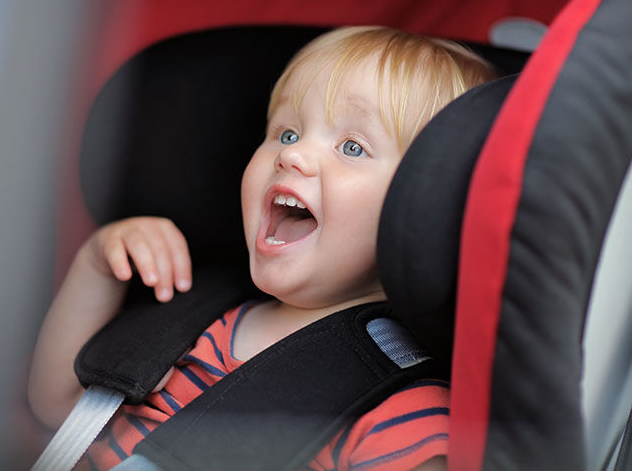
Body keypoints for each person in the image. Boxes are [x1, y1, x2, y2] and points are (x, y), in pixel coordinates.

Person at [28, 26, 495, 470]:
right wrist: (98, 265)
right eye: (287, 133)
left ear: (427, 212)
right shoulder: (194, 319)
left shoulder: (403, 411)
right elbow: (58, 407)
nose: (291, 155)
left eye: (352, 147)